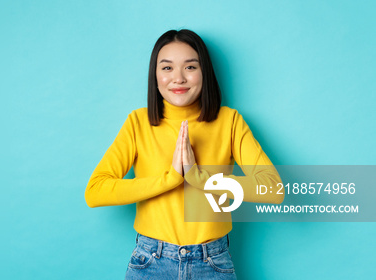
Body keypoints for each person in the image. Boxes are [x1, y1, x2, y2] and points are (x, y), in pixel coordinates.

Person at [84, 29, 284, 279]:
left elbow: (273, 189)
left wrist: (200, 178)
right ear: (155, 76)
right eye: (167, 68)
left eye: (190, 67)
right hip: (151, 261)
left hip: (212, 263)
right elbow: (95, 192)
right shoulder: (137, 123)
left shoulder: (229, 122)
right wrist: (169, 179)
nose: (178, 78)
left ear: (205, 73)